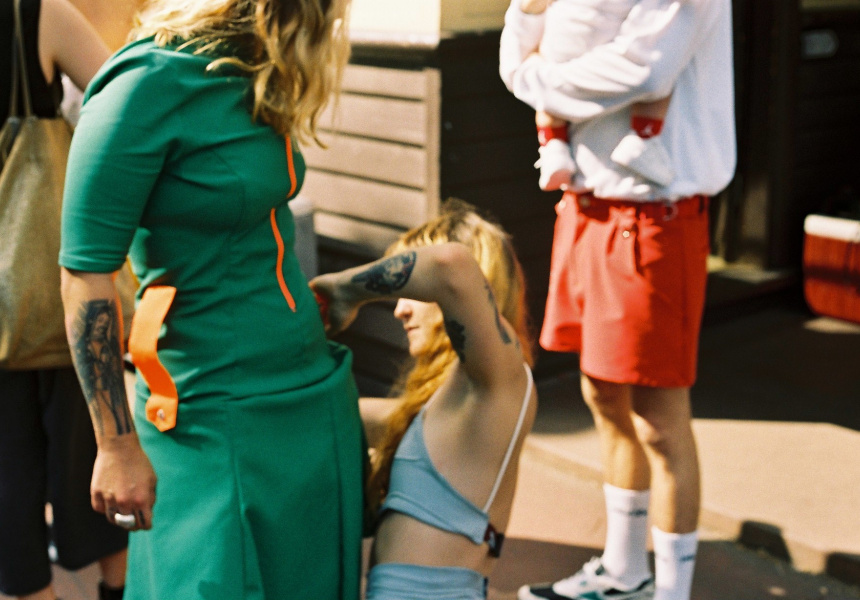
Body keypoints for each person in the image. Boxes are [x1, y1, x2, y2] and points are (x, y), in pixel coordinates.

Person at [57, 0, 365, 598]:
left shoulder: (257, 67)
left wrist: (351, 287)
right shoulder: (146, 82)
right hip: (207, 412)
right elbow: (85, 274)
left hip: (309, 396)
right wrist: (116, 443)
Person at [500, 0, 736, 599]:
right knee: (602, 396)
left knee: (659, 419)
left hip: (655, 216)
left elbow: (643, 71)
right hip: (583, 206)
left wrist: (536, 78)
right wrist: (534, 68)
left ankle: (673, 593)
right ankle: (624, 571)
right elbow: (517, 45)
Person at [310, 202, 537, 600]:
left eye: (411, 290)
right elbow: (355, 416)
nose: (399, 309)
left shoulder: (499, 377)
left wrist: (346, 289)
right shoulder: (454, 400)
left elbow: (450, 265)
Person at [0, 1, 126, 600]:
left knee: (7, 494)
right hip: (49, 294)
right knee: (93, 472)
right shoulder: (33, 14)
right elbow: (129, 102)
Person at [526, 0, 675, 192]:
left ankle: (553, 145)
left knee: (547, 81)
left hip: (563, 27)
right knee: (662, 64)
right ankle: (643, 137)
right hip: (606, 32)